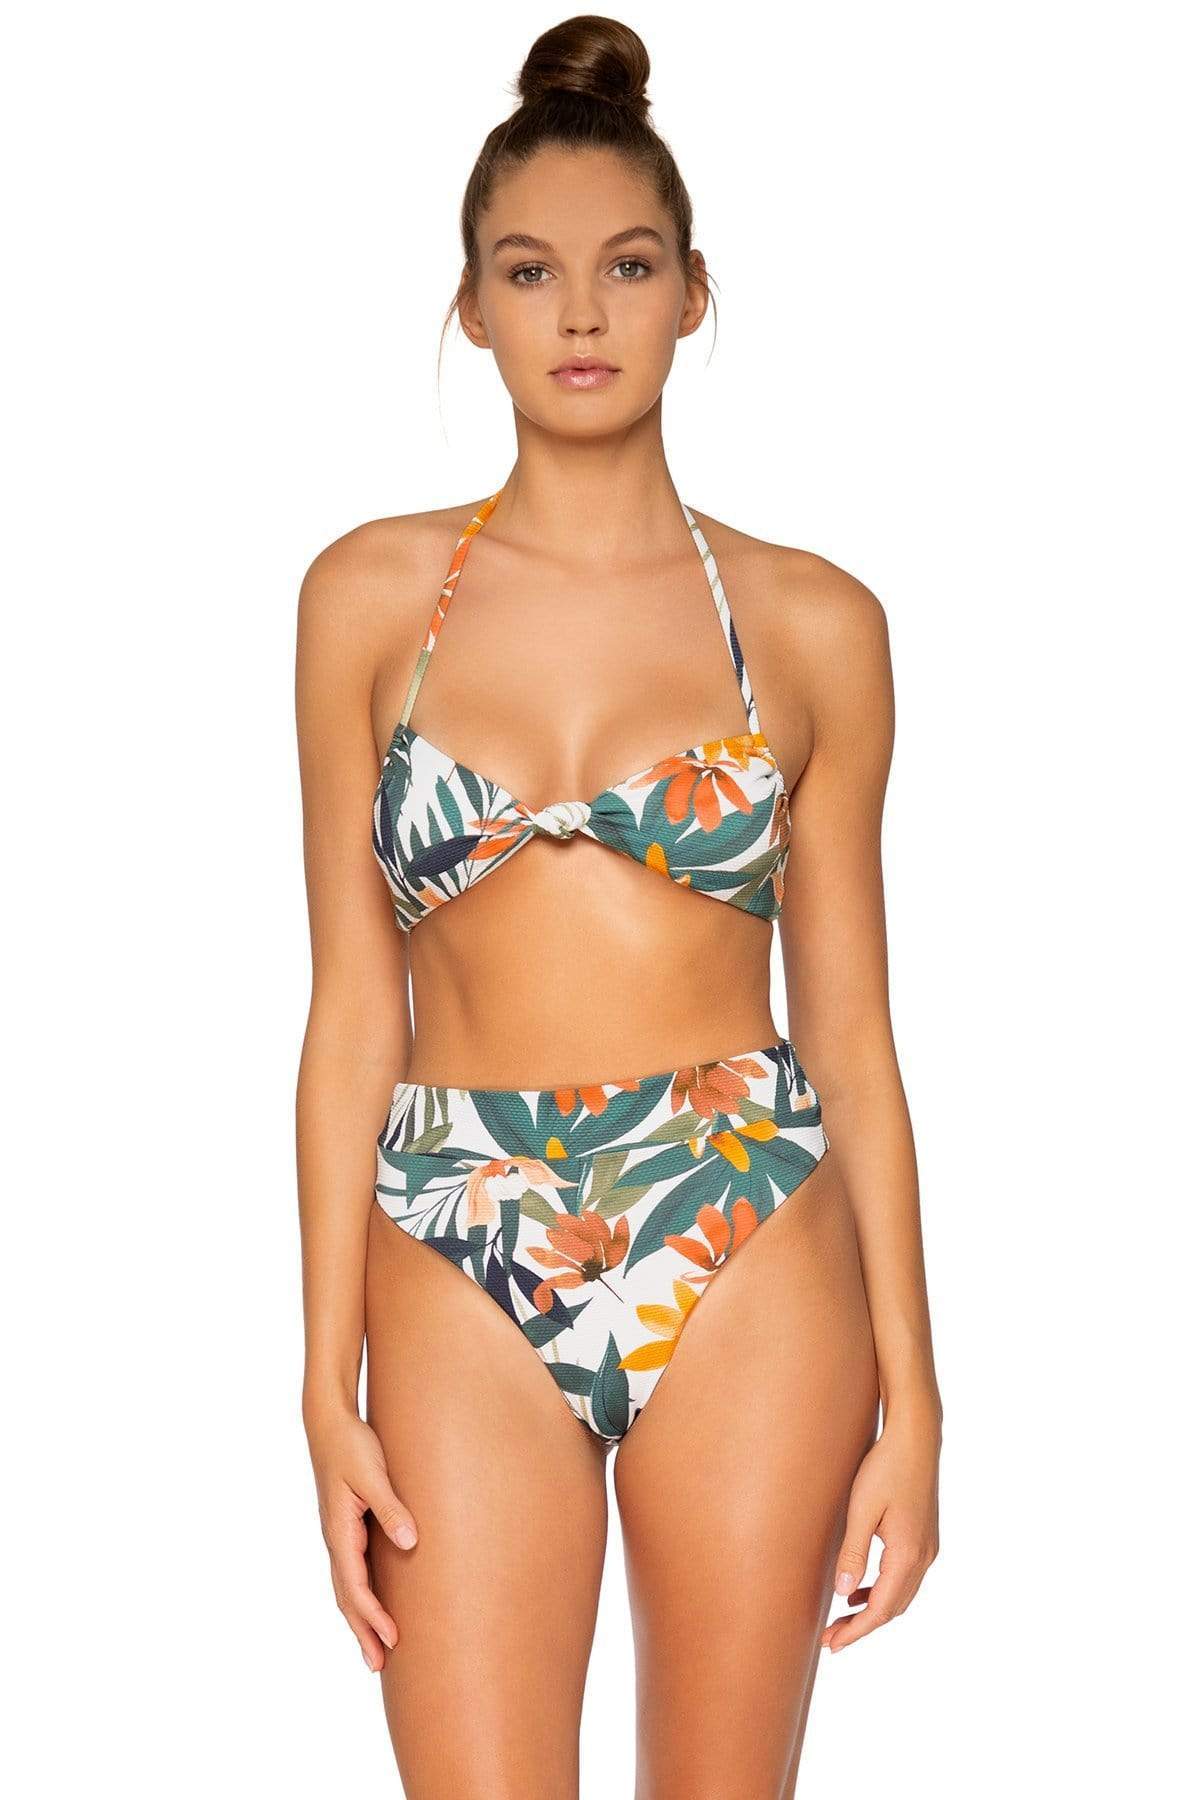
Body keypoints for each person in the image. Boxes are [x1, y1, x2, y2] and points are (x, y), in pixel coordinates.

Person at [294, 16, 941, 1796]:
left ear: (692, 293)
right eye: (531, 271)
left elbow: (856, 1036)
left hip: (742, 1212)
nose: (581, 314)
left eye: (628, 267)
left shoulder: (815, 625)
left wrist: (920, 1401)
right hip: (455, 1218)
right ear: (472, 307)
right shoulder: (365, 600)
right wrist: (321, 1382)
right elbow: (350, 1011)